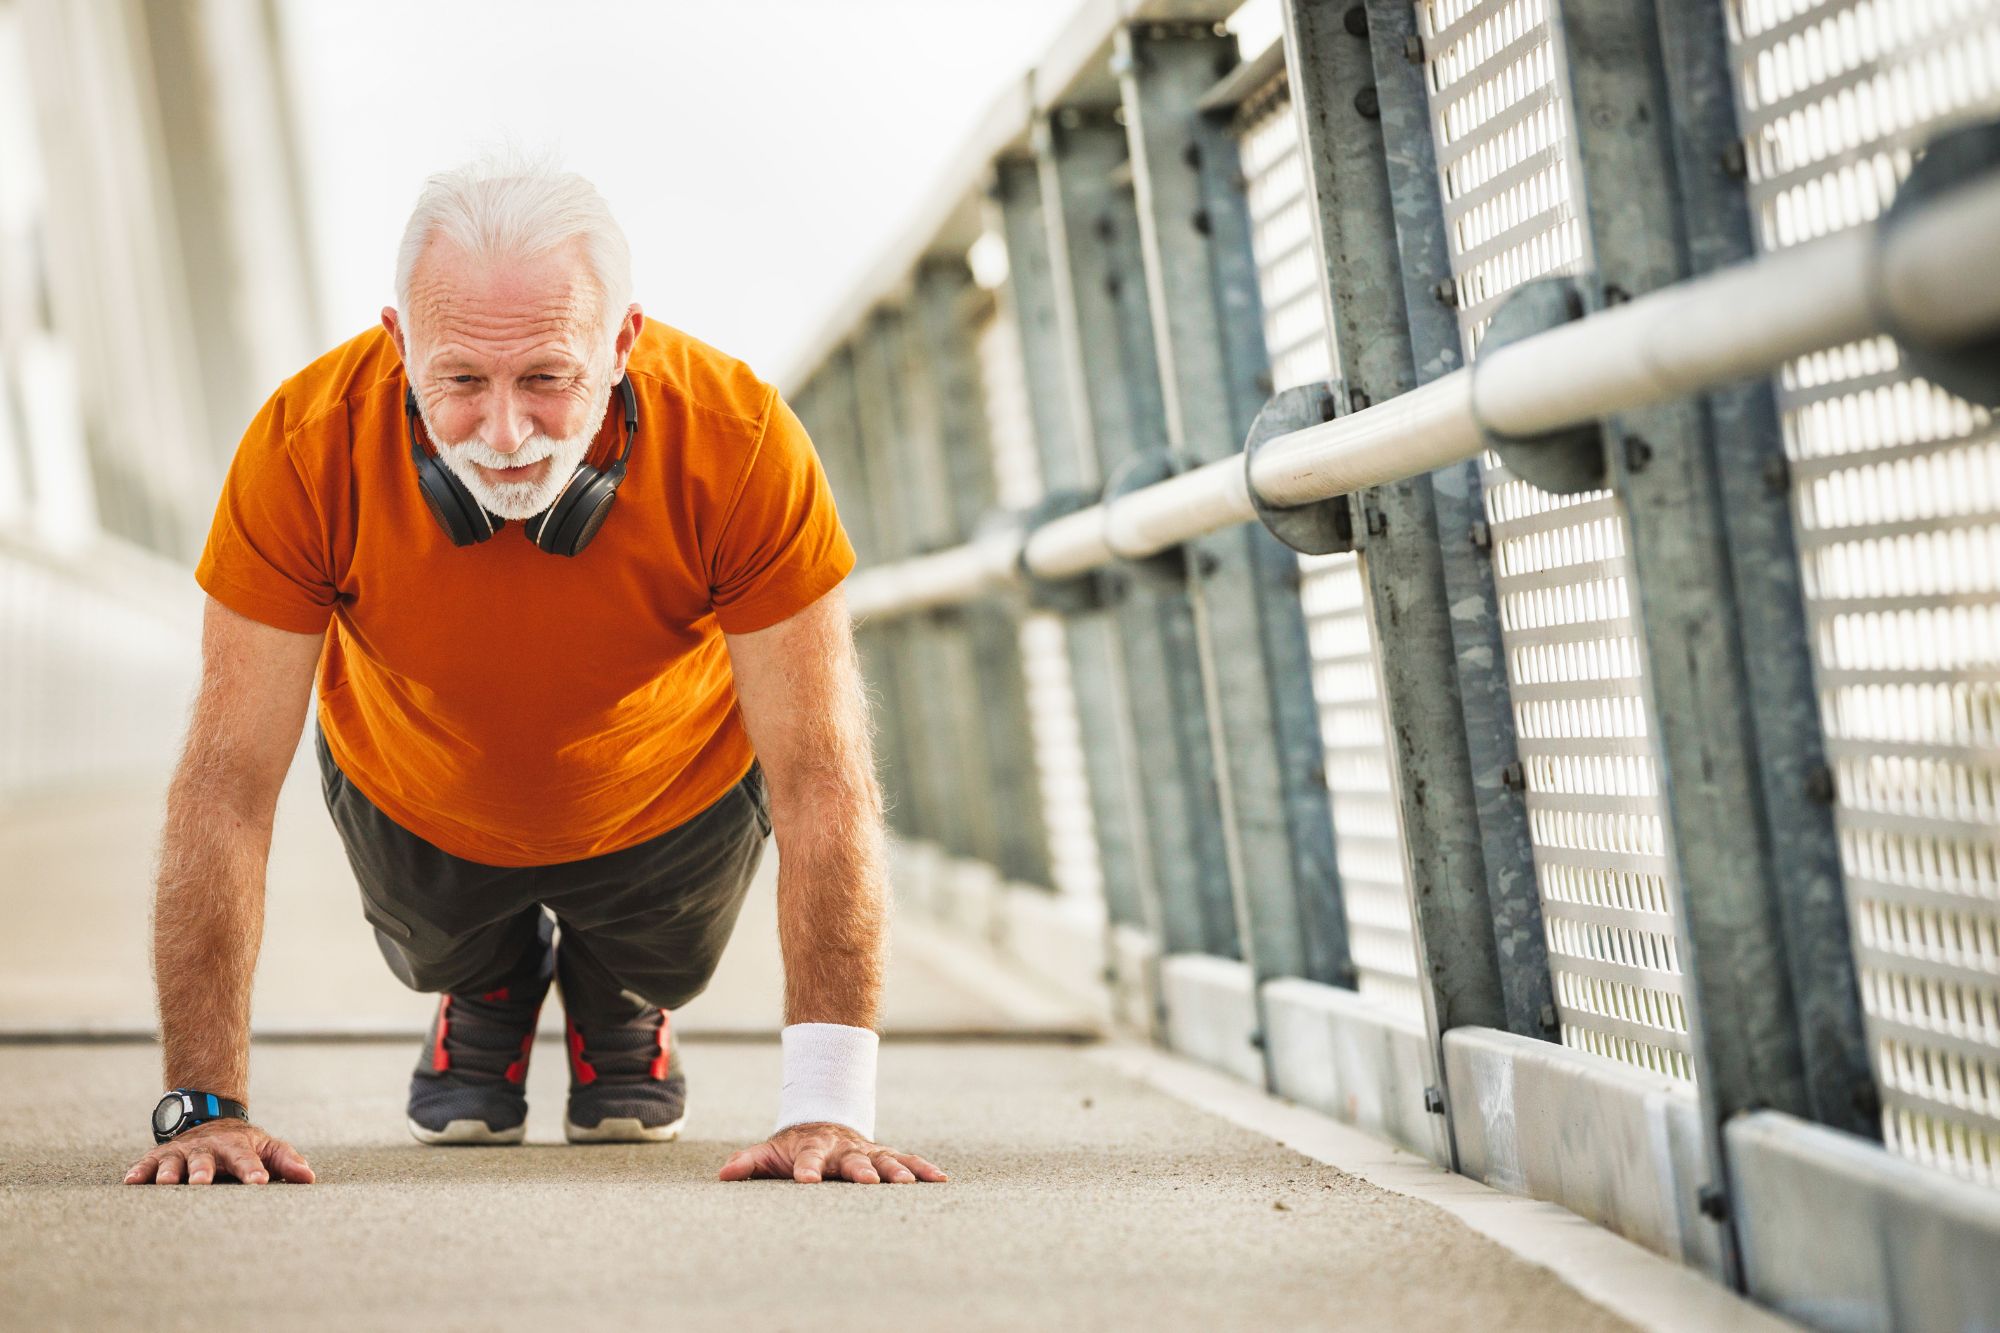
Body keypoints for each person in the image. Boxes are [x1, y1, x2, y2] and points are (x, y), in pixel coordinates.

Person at [122, 154, 944, 1189]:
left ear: (622, 345)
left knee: (662, 957)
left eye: (548, 378)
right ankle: (484, 982)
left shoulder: (740, 445)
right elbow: (226, 786)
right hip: (416, 788)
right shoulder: (304, 445)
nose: (505, 436)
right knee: (446, 948)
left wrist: (828, 1109)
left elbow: (824, 776)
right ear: (397, 344)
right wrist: (201, 1109)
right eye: (459, 380)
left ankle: (618, 988)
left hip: (668, 797)